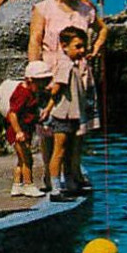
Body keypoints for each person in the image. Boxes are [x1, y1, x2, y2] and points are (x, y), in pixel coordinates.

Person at [28, 0, 106, 190]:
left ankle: (73, 171)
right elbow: (35, 39)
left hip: (79, 76)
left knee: (77, 128)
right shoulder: (43, 8)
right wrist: (34, 69)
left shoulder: (86, 9)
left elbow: (103, 29)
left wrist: (95, 48)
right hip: (51, 72)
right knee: (49, 128)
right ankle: (48, 174)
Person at [46, 26, 93, 201]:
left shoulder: (71, 65)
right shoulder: (65, 65)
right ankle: (55, 188)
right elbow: (56, 88)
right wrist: (49, 105)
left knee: (68, 150)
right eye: (78, 47)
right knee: (59, 151)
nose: (82, 51)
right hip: (63, 115)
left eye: (83, 47)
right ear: (64, 46)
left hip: (72, 115)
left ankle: (70, 182)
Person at [5, 60, 52, 198]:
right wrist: (18, 131)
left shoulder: (29, 92)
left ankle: (17, 185)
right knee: (27, 159)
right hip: (19, 131)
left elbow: (29, 112)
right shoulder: (23, 93)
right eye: (40, 82)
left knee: (21, 159)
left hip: (25, 129)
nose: (43, 86)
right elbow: (12, 113)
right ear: (30, 80)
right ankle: (28, 185)